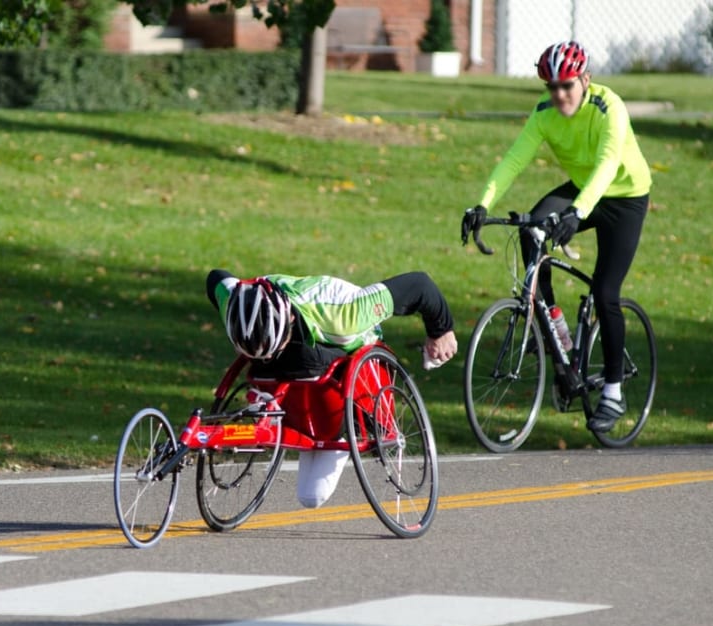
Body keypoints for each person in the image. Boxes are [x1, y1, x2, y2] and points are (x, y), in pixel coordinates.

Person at [460, 40, 652, 433]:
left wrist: (576, 214)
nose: (560, 94)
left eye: (567, 85)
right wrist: (481, 204)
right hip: (582, 189)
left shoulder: (608, 107)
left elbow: (607, 163)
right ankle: (556, 327)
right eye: (552, 87)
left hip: (625, 197)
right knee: (531, 231)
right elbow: (514, 159)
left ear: (585, 79)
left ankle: (613, 391)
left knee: (606, 293)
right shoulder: (545, 114)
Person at [206, 269, 457, 509]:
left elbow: (420, 285)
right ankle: (294, 414)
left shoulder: (348, 311)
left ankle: (337, 429)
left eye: (273, 349)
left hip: (341, 355)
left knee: (313, 495)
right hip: (296, 356)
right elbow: (215, 278)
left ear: (290, 320)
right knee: (309, 498)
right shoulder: (233, 299)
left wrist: (441, 330)